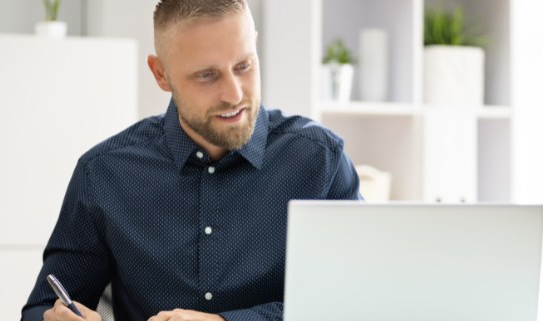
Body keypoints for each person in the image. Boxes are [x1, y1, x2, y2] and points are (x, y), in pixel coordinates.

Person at [21, 0, 361, 320]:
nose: (235, 95)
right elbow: (43, 307)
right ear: (161, 74)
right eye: (206, 75)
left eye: (244, 65)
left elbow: (358, 301)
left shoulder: (320, 159)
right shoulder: (103, 174)